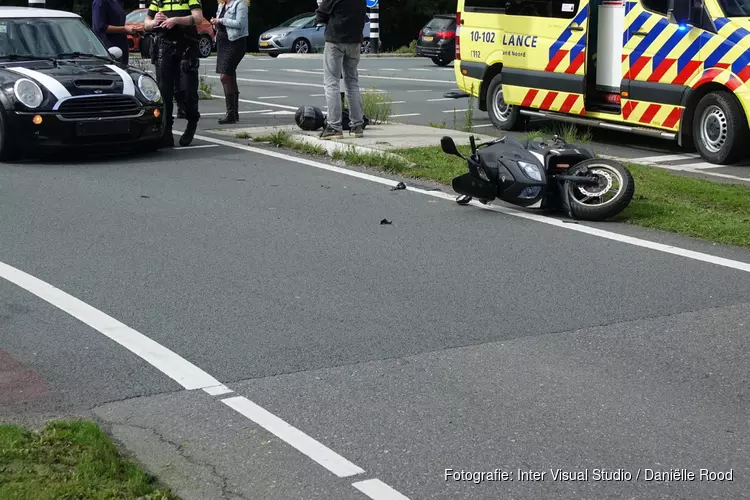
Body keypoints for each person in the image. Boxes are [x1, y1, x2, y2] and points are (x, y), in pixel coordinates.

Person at [144, 0, 205, 148]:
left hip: (186, 48)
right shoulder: (157, 1)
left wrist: (175, 20)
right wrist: (154, 23)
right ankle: (167, 131)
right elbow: (146, 23)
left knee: (187, 91)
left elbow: (198, 18)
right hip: (164, 48)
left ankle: (191, 122)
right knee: (165, 93)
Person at [315, 0, 366, 140]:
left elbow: (321, 13)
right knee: (352, 83)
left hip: (335, 40)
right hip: (355, 41)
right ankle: (357, 126)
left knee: (332, 83)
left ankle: (334, 127)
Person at [210, 0, 249, 124]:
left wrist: (220, 21)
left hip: (235, 42)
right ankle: (233, 114)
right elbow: (219, 22)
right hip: (223, 42)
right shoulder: (221, 5)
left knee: (225, 76)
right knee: (230, 75)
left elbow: (240, 23)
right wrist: (214, 23)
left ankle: (231, 112)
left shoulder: (240, 4)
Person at [92, 0, 136, 66]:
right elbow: (100, 27)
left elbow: (118, 24)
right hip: (109, 49)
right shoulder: (100, 2)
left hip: (122, 47)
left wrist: (131, 31)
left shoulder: (116, 2)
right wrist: (124, 29)